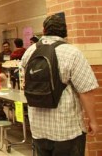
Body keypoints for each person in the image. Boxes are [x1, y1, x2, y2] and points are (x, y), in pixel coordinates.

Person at [21, 15, 98, 156]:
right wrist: (93, 120)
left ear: (44, 30)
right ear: (65, 31)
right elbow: (86, 90)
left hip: (38, 128)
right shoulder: (72, 53)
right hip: (66, 129)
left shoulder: (30, 52)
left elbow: (24, 82)